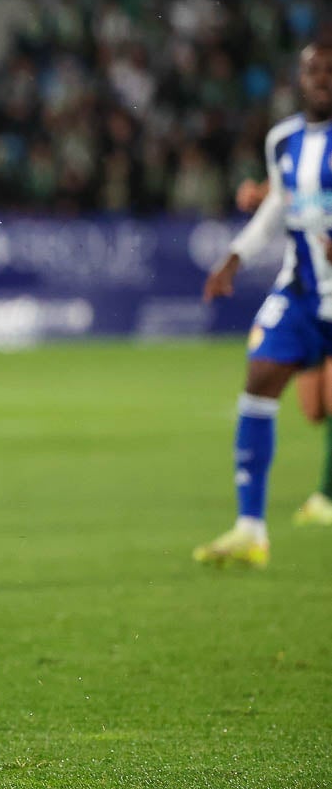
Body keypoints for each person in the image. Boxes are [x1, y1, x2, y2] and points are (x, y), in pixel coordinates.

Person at [199, 40, 332, 566]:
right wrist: (236, 255)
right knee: (259, 380)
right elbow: (279, 204)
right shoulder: (284, 140)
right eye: (313, 70)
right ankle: (250, 529)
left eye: (329, 70)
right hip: (301, 292)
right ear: (300, 78)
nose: (321, 78)